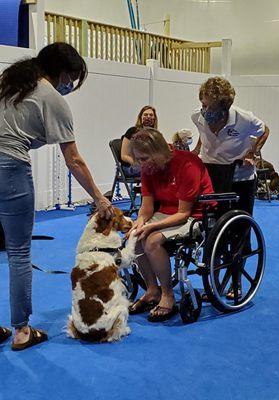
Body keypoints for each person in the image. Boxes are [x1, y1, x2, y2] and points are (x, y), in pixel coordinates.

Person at [0, 42, 114, 350]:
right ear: (63, 73)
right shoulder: (51, 97)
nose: (71, 85)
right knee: (19, 253)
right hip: (10, 170)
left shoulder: (10, 84)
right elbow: (74, 159)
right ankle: (22, 331)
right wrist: (100, 198)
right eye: (72, 78)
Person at [191, 76, 269, 298]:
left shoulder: (244, 119)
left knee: (237, 231)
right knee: (212, 229)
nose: (205, 110)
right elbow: (202, 135)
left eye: (210, 106)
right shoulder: (198, 117)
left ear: (224, 105)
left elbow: (264, 130)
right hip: (211, 175)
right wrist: (197, 150)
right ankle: (216, 283)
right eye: (203, 104)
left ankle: (236, 283)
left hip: (240, 178)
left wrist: (252, 152)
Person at [127, 127, 214, 322]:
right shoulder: (149, 167)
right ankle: (152, 290)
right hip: (164, 212)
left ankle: (167, 294)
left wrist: (150, 227)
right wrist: (140, 222)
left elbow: (183, 214)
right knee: (136, 237)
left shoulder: (187, 164)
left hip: (194, 215)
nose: (141, 164)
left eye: (144, 159)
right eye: (139, 159)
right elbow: (147, 208)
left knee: (152, 241)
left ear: (158, 152)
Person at [120, 105, 158, 176]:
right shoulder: (132, 131)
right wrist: (137, 163)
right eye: (146, 114)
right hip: (130, 166)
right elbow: (124, 155)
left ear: (154, 118)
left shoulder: (155, 134)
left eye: (151, 115)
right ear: (141, 117)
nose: (148, 117)